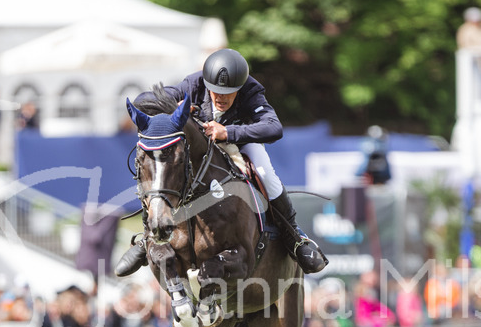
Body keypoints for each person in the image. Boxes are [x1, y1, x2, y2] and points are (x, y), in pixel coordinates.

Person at [114, 48, 328, 277]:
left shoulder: (251, 91)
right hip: (200, 145)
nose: (221, 97)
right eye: (215, 91)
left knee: (266, 174)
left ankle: (294, 237)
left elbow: (273, 127)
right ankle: (147, 238)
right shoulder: (193, 83)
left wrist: (229, 132)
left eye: (229, 92)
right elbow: (143, 100)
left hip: (240, 142)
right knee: (167, 171)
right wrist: (167, 104)